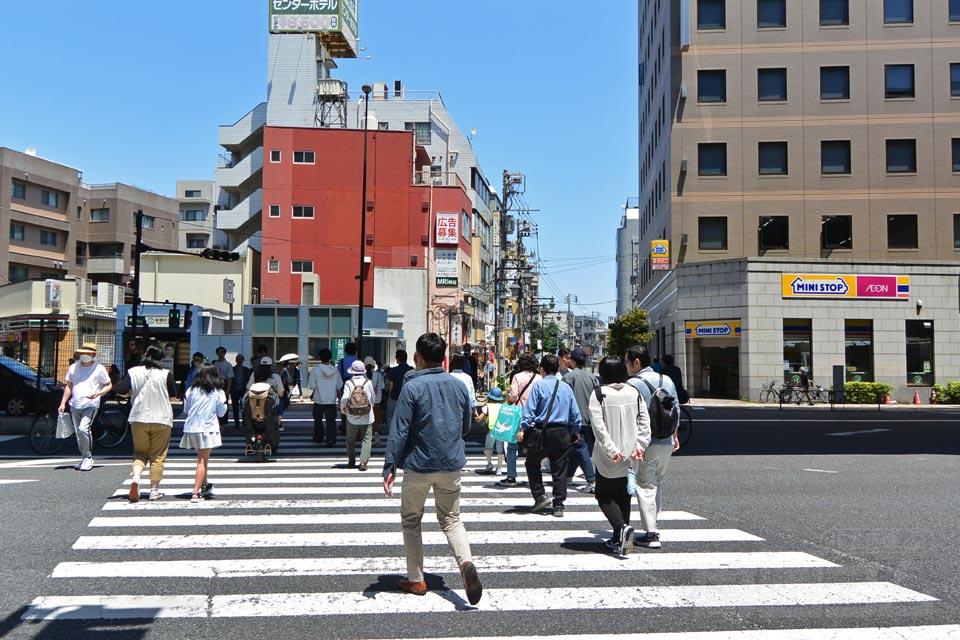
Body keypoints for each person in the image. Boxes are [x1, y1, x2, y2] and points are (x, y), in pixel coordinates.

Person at [382, 332, 482, 605]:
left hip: (418, 464)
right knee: (451, 519)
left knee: (411, 520)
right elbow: (466, 426)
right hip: (450, 463)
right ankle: (465, 563)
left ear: (420, 358)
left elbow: (399, 430)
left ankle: (416, 579)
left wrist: (390, 465)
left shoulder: (411, 387)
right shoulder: (458, 385)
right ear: (444, 358)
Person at [588, 355, 650, 556]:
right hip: (633, 453)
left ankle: (621, 528)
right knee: (624, 495)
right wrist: (640, 445)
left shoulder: (599, 394)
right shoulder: (634, 392)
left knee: (604, 495)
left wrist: (612, 450)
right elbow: (644, 422)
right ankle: (620, 536)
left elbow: (599, 428)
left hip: (609, 456)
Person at [625, 344, 680, 549]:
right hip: (666, 440)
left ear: (636, 362)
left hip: (645, 441)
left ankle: (650, 534)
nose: (626, 366)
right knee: (657, 482)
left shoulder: (632, 383)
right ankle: (654, 523)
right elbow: (676, 410)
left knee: (645, 485)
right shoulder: (666, 380)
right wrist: (674, 436)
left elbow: (631, 416)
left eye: (627, 361)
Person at [516, 354, 582, 517]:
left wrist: (523, 428)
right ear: (557, 368)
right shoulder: (566, 387)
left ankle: (540, 496)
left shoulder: (539, 386)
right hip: (561, 432)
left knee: (532, 463)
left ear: (542, 369)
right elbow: (575, 414)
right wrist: (575, 431)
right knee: (560, 469)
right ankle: (558, 504)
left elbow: (529, 412)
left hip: (541, 432)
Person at [112, 345, 177, 502]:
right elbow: (173, 396)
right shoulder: (166, 373)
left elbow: (120, 389)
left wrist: (131, 391)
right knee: (158, 456)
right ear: (161, 359)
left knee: (140, 452)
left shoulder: (133, 372)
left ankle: (136, 479)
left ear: (146, 354)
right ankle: (154, 490)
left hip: (139, 417)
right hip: (161, 419)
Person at [57, 342, 113, 472]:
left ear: (93, 355)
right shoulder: (74, 368)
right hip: (75, 403)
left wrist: (99, 393)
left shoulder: (99, 368)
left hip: (91, 404)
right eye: (82, 353)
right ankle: (84, 457)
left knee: (83, 429)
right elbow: (69, 386)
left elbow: (108, 384)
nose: (84, 355)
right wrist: (63, 403)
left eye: (87, 353)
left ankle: (88, 457)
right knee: (78, 433)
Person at [180, 363, 226, 503]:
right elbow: (222, 412)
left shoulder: (190, 391)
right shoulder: (218, 392)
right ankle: (196, 491)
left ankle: (205, 484)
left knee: (201, 457)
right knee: (202, 461)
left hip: (191, 428)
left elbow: (186, 410)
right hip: (208, 429)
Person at [497, 353, 541, 487]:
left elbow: (514, 396)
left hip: (518, 416)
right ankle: (534, 478)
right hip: (535, 416)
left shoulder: (517, 376)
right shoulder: (539, 378)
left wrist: (509, 399)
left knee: (512, 447)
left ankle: (511, 477)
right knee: (534, 448)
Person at [562, 348, 598, 493]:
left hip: (574, 419)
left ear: (573, 361)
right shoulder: (593, 378)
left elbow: (564, 400)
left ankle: (591, 479)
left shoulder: (569, 378)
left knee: (580, 448)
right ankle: (569, 476)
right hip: (591, 419)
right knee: (576, 448)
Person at [341, 360, 375, 471]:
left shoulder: (349, 383)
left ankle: (351, 461)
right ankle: (363, 462)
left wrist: (343, 408)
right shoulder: (368, 382)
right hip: (367, 416)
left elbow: (345, 398)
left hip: (352, 416)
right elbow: (372, 398)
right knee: (366, 438)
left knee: (350, 439)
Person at [309, 349, 343, 446]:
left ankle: (318, 437)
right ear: (330, 358)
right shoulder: (335, 370)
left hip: (319, 399)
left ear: (320, 358)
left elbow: (312, 385)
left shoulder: (316, 370)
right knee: (331, 421)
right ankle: (331, 439)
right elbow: (339, 385)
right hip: (331, 400)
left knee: (318, 420)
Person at [475, 387, 505, 475]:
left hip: (491, 430)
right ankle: (499, 468)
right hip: (501, 430)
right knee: (500, 450)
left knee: (488, 448)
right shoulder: (503, 406)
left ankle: (489, 463)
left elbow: (479, 419)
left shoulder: (487, 406)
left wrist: (476, 415)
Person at [385, 349, 414, 421]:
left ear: (397, 359)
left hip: (394, 398)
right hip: (408, 399)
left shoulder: (393, 370)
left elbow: (390, 386)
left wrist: (389, 396)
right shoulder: (411, 370)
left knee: (391, 417)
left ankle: (391, 432)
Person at [364, 356, 386, 447]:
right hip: (376, 401)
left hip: (365, 401)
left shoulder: (362, 375)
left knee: (365, 420)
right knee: (376, 420)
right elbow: (382, 387)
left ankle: (366, 437)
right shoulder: (378, 375)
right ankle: (376, 433)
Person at [213, 347, 235, 428]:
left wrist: (228, 389)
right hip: (215, 384)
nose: (220, 353)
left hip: (224, 384)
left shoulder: (228, 365)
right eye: (218, 352)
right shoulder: (214, 363)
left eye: (222, 352)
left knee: (223, 403)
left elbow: (230, 378)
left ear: (224, 353)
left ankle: (223, 421)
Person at [231, 354, 251, 429]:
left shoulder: (246, 370)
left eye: (241, 359)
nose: (239, 360)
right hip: (234, 390)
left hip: (243, 391)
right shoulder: (232, 369)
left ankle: (244, 422)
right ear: (235, 360)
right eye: (238, 359)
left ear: (243, 360)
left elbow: (249, 380)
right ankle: (236, 422)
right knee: (235, 407)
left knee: (244, 407)